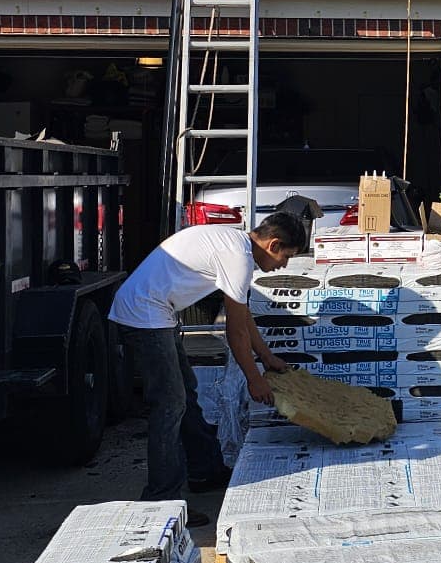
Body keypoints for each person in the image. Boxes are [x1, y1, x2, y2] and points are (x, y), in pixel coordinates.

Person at [107, 211, 308, 502]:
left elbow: (243, 314)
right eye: (286, 257)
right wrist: (255, 380)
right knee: (169, 404)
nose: (283, 266)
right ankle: (160, 499)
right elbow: (235, 332)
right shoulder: (237, 258)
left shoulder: (237, 247)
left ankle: (206, 470)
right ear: (273, 245)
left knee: (185, 393)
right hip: (144, 313)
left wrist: (267, 356)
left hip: (156, 311)